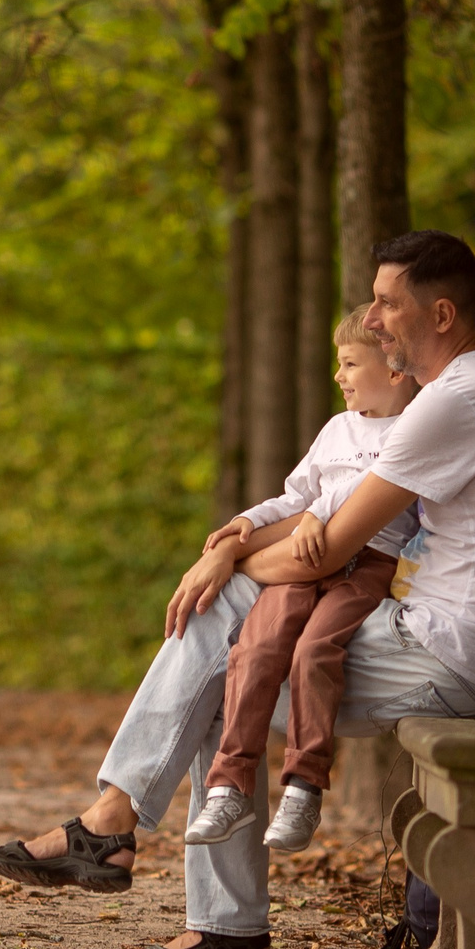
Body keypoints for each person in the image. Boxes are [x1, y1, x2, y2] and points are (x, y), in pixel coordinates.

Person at [0, 230, 475, 949]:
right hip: (458, 647)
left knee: (222, 644)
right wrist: (235, 547)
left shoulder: (455, 402)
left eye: (388, 304)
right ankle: (188, 895)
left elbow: (328, 550)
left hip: (450, 656)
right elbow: (312, 517)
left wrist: (227, 558)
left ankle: (127, 834)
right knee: (221, 674)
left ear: (442, 314)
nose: (374, 320)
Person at [184, 310, 419, 857]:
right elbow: (295, 496)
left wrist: (319, 513)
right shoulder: (337, 429)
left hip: (368, 565)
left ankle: (304, 787)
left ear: (393, 371)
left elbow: (370, 487)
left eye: (350, 364)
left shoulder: (414, 428)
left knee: (314, 652)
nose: (339, 375)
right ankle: (230, 784)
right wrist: (247, 525)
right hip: (300, 558)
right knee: (257, 647)